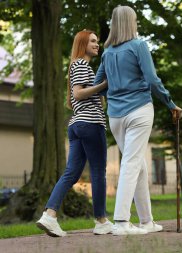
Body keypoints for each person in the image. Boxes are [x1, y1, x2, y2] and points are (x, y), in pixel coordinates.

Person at [94, 6, 182, 236]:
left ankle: (147, 221)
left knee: (138, 165)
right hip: (139, 111)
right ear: (131, 23)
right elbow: (152, 80)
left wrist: (114, 95)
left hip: (115, 116)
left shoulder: (107, 53)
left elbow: (98, 84)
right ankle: (122, 221)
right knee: (132, 164)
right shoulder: (138, 45)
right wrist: (170, 103)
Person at [36, 30, 113, 237]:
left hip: (77, 125)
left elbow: (74, 100)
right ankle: (101, 221)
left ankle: (49, 216)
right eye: (93, 41)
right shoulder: (81, 64)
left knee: (71, 173)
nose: (98, 44)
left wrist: (100, 90)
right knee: (98, 172)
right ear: (83, 44)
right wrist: (104, 84)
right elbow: (78, 93)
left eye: (98, 41)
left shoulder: (79, 66)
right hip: (90, 124)